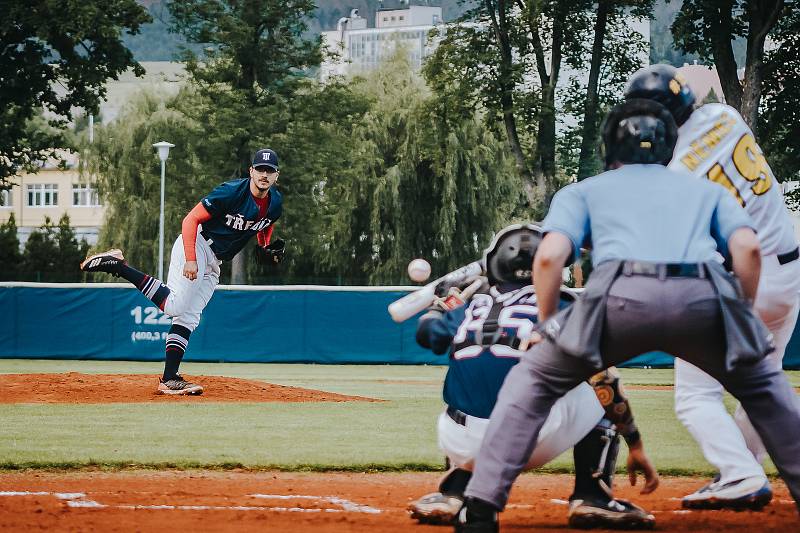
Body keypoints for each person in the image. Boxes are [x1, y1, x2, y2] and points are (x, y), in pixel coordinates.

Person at [454, 99, 800, 533]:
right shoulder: (706, 190)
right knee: (766, 391)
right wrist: (743, 320)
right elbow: (747, 249)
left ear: (609, 144)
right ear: (669, 145)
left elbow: (550, 258)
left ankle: (481, 507)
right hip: (700, 294)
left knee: (535, 383)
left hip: (617, 297)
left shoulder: (585, 190)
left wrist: (547, 324)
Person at [625, 64, 800, 509]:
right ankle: (739, 473)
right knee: (764, 384)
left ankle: (740, 474)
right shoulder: (727, 118)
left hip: (741, 281)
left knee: (694, 395)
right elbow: (699, 77)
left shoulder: (674, 171)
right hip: (788, 271)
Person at [409, 224, 657, 529]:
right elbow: (604, 378)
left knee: (469, 381)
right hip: (528, 440)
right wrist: (635, 443)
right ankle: (593, 496)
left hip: (459, 442)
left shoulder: (472, 305)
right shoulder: (564, 303)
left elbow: (425, 333)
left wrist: (439, 306)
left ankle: (456, 492)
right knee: (596, 381)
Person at [80, 148, 286, 395]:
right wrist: (190, 259)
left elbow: (264, 226)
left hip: (215, 261)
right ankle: (119, 267)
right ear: (251, 171)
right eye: (260, 169)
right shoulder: (231, 192)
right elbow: (190, 219)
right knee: (176, 306)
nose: (264, 174)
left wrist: (264, 245)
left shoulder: (275, 204)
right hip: (197, 244)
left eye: (269, 170)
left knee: (189, 317)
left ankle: (169, 379)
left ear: (276, 176)